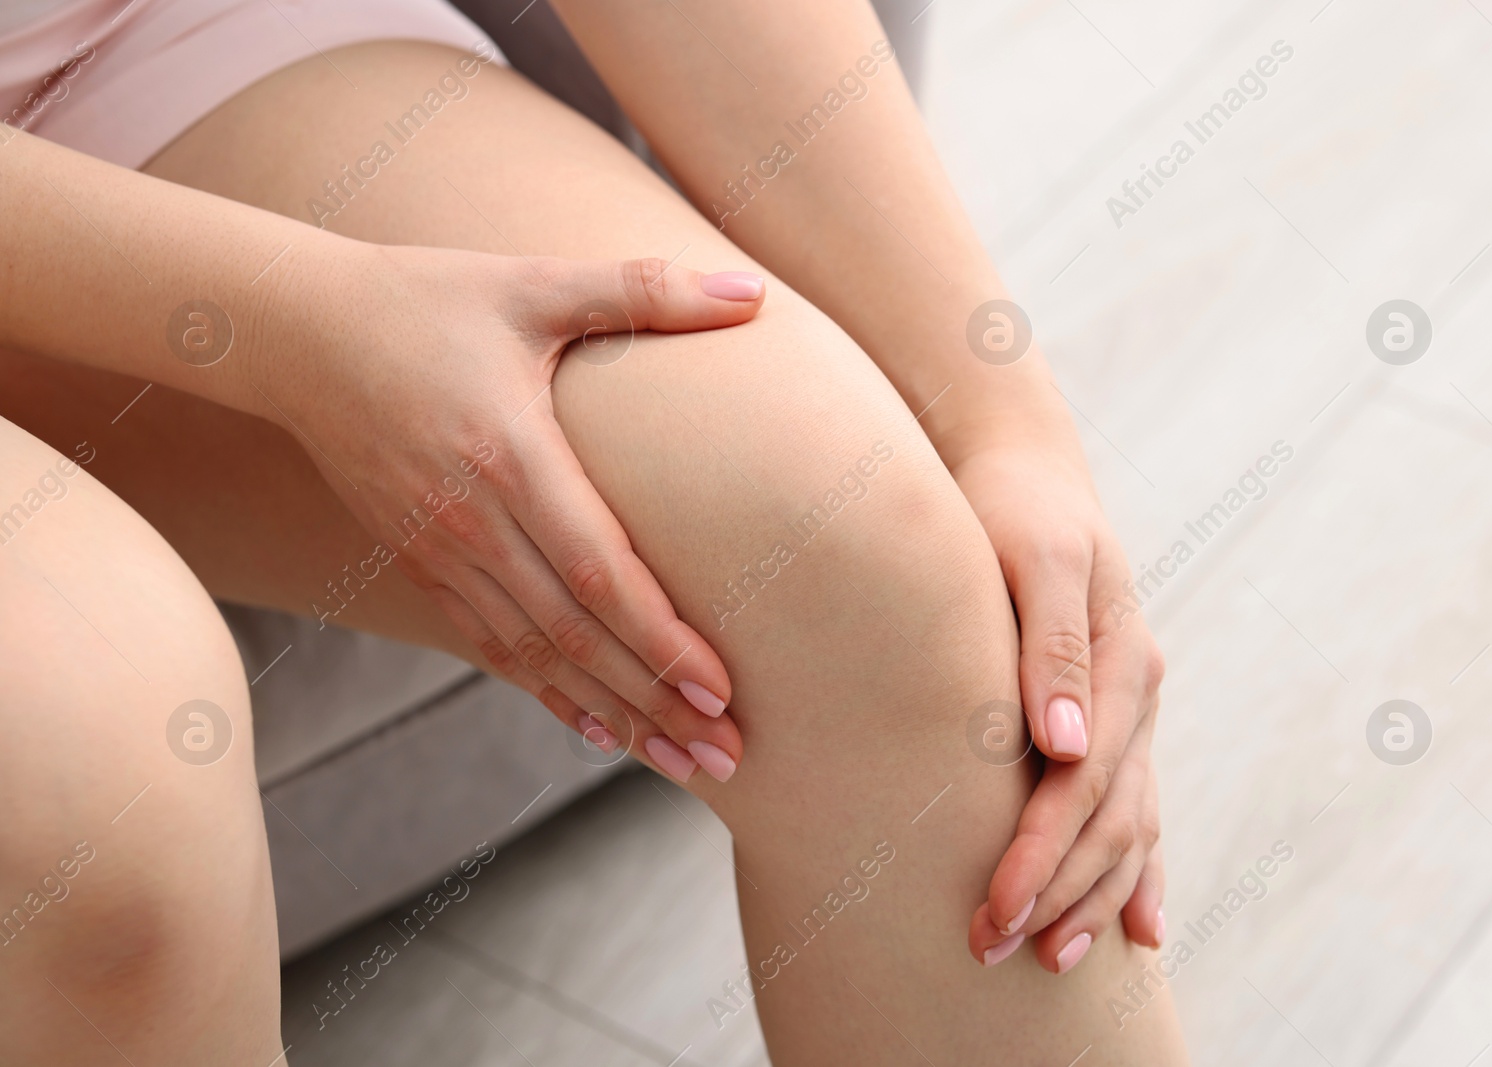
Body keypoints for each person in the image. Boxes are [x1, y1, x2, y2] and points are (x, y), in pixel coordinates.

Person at [0, 0, 1186, 1062]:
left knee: (884, 592)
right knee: (95, 842)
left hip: (114, 44)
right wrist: (299, 327)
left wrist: (1000, 418)